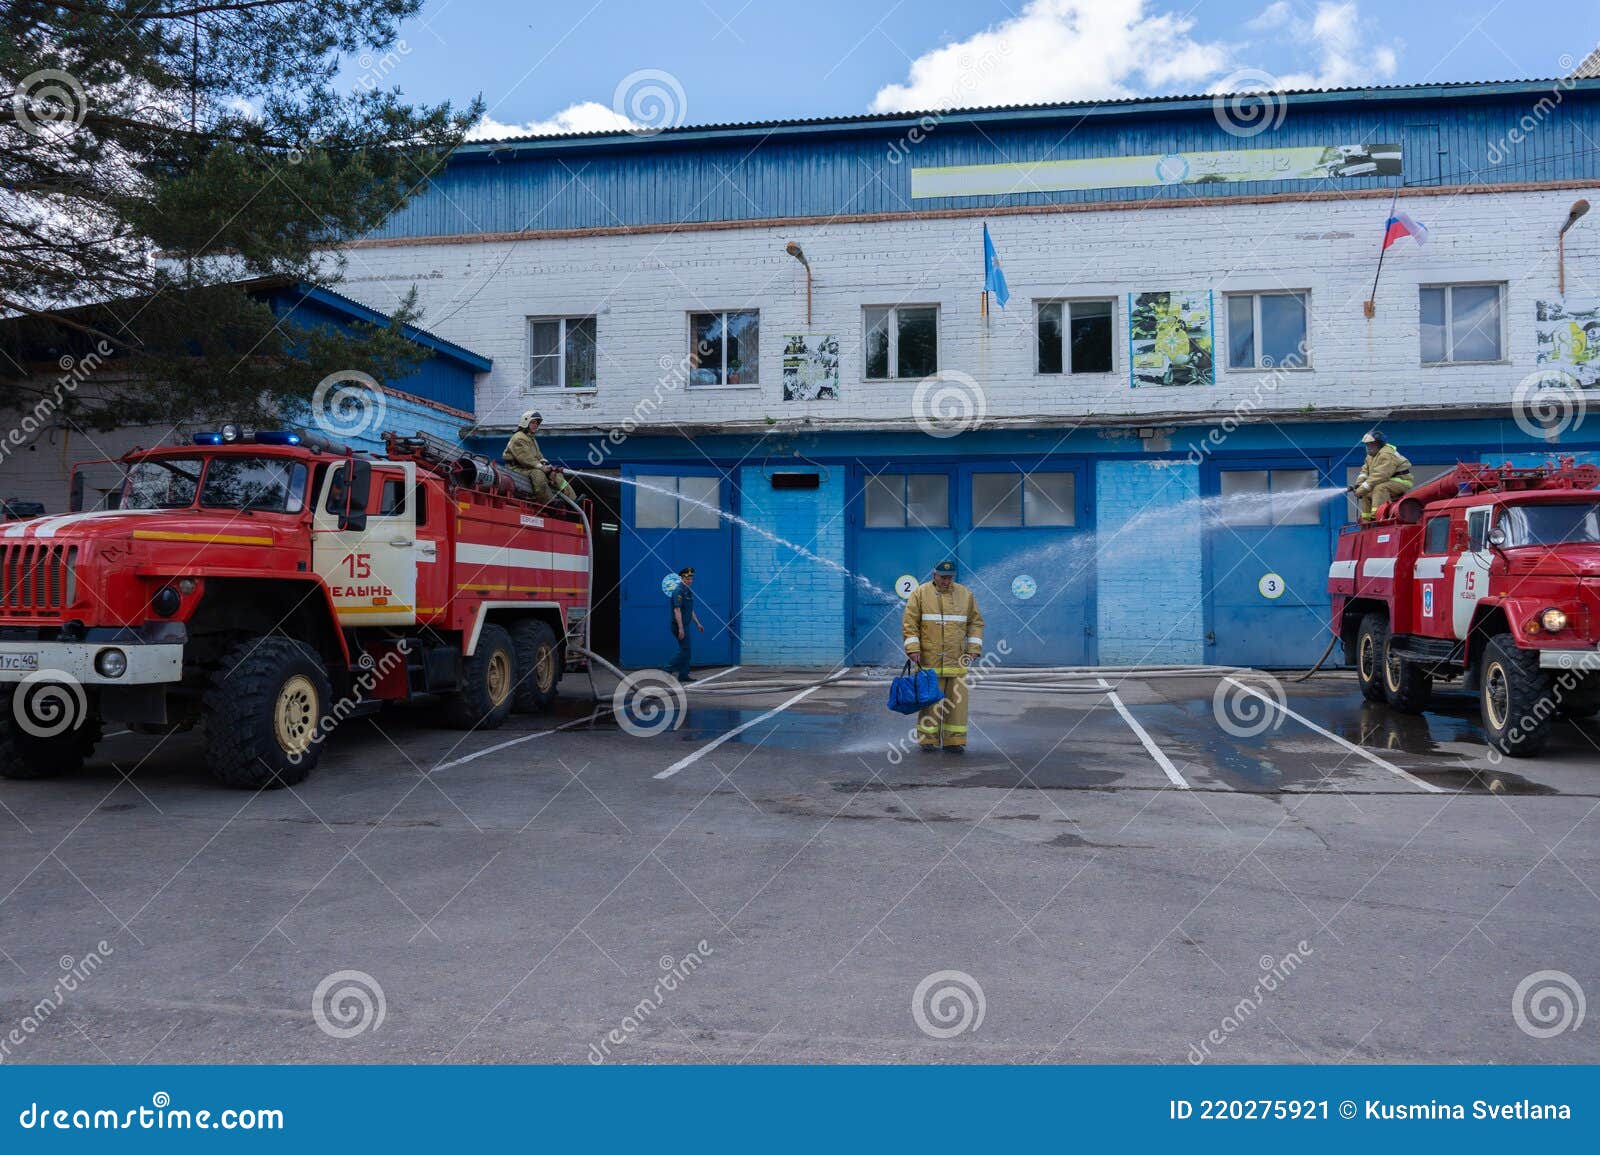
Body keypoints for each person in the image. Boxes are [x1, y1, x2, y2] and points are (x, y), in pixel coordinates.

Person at [901, 559, 985, 754]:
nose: (947, 581)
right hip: (928, 661)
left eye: (950, 577)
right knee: (929, 702)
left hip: (957, 660)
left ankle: (954, 741)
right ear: (934, 575)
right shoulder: (920, 594)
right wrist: (913, 648)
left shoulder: (965, 594)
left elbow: (975, 623)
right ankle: (927, 740)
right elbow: (909, 623)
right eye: (943, 577)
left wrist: (974, 647)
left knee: (956, 705)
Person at [504, 410, 569, 503]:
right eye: (533, 422)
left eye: (537, 423)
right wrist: (542, 468)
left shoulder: (531, 438)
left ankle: (572, 500)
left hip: (528, 468)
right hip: (516, 469)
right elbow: (525, 459)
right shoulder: (518, 438)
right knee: (538, 474)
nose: (536, 425)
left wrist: (548, 466)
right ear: (525, 422)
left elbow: (539, 456)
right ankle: (549, 503)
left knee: (557, 475)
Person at [1350, 431, 1413, 521]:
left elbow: (1381, 474)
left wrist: (1363, 488)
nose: (1368, 448)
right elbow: (1364, 471)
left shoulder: (1386, 454)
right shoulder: (1370, 456)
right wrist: (1359, 484)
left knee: (1380, 488)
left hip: (1401, 481)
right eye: (1367, 445)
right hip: (1387, 480)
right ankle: (1366, 520)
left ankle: (1377, 517)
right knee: (1366, 493)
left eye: (1371, 444)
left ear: (1379, 444)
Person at [669, 567, 703, 683]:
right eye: (687, 578)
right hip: (679, 626)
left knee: (687, 651)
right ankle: (667, 669)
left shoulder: (688, 591)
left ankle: (683, 675)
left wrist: (698, 623)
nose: (689, 580)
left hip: (685, 625)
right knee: (684, 650)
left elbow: (690, 610)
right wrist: (681, 628)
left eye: (691, 578)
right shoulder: (678, 591)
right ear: (682, 578)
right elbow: (677, 610)